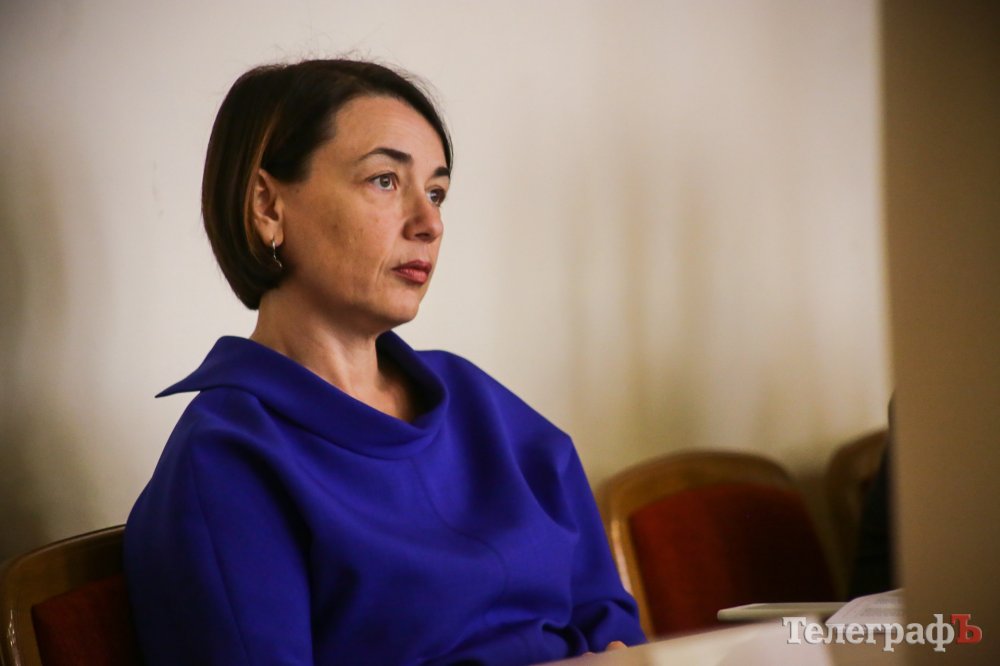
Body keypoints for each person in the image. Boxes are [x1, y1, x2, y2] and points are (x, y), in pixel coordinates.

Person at [124, 59, 645, 665]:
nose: (430, 224)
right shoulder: (227, 459)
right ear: (267, 206)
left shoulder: (482, 405)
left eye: (436, 192)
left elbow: (611, 623)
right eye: (384, 181)